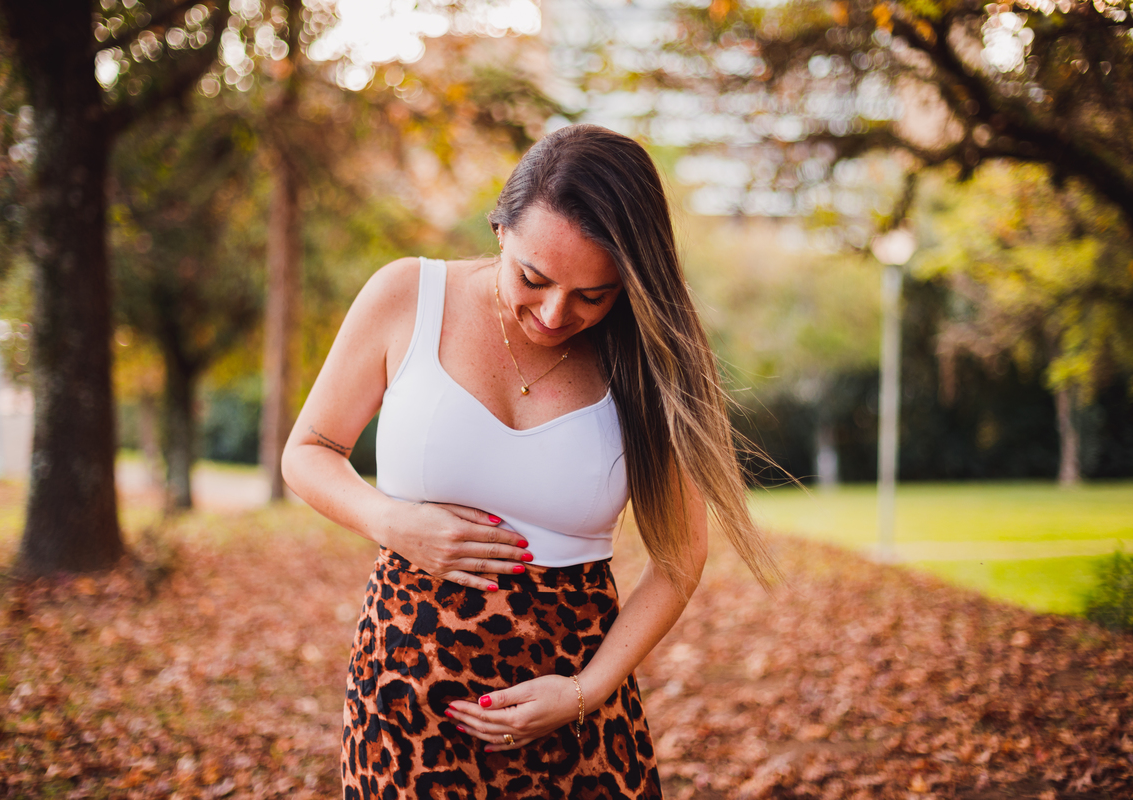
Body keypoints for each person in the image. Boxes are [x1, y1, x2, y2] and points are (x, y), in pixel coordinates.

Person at [282, 124, 776, 799]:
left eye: (593, 295)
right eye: (533, 278)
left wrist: (585, 691)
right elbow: (308, 452)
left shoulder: (651, 359)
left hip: (574, 710)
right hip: (405, 696)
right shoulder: (407, 296)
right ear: (500, 229)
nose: (553, 313)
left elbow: (680, 558)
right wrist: (390, 522)